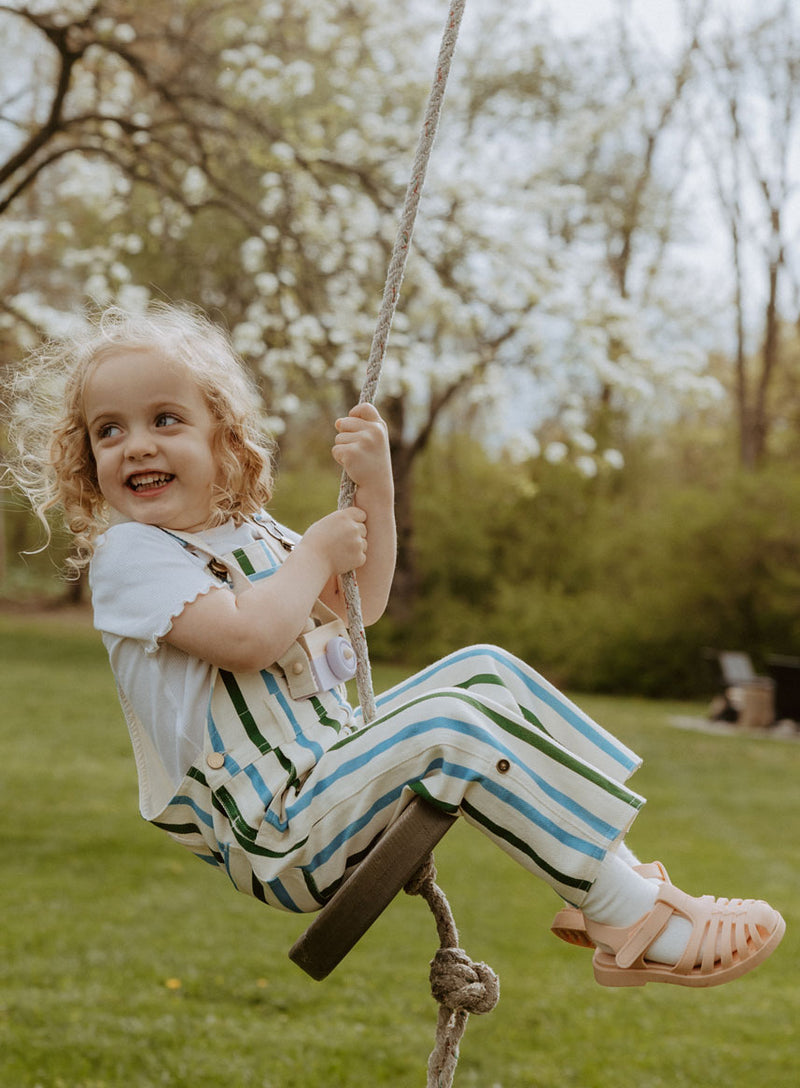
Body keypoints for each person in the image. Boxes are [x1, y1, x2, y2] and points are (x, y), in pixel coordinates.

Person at [4, 301, 785, 989]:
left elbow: (360, 608)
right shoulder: (131, 554)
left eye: (165, 420)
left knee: (484, 671)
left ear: (223, 439)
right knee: (454, 722)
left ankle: (617, 883)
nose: (136, 445)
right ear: (87, 458)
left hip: (331, 774)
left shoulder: (252, 533)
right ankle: (630, 918)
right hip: (275, 828)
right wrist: (315, 550)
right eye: (109, 431)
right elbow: (246, 639)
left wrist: (374, 489)